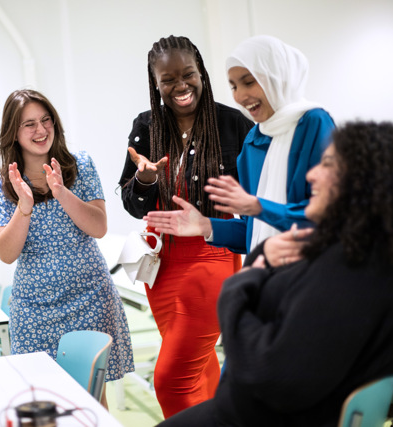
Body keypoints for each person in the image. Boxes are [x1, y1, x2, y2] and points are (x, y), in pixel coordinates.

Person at [159, 120, 393, 426]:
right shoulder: (381, 257)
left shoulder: (348, 273)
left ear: (362, 180)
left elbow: (267, 371)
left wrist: (238, 289)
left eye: (327, 164)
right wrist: (239, 248)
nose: (311, 174)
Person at [118, 35, 253, 417]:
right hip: (160, 267)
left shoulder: (233, 125)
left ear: (201, 74)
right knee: (200, 366)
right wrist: (144, 181)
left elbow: (256, 199)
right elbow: (131, 202)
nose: (180, 86)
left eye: (188, 75)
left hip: (213, 260)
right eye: (168, 79)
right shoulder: (146, 127)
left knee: (171, 378)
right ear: (155, 82)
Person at [0, 89, 134, 407]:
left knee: (91, 399)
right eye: (29, 124)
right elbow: (7, 253)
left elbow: (99, 227)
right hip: (34, 307)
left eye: (45, 120)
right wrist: (24, 205)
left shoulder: (80, 164)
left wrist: (62, 193)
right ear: (12, 131)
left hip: (90, 297)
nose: (41, 130)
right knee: (40, 400)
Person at [145, 35, 335, 256]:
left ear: (277, 76)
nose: (241, 96)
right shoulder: (253, 141)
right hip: (271, 279)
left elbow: (330, 216)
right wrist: (205, 225)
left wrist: (258, 207)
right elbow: (254, 231)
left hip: (315, 272)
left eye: (249, 82)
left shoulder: (313, 123)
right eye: (233, 86)